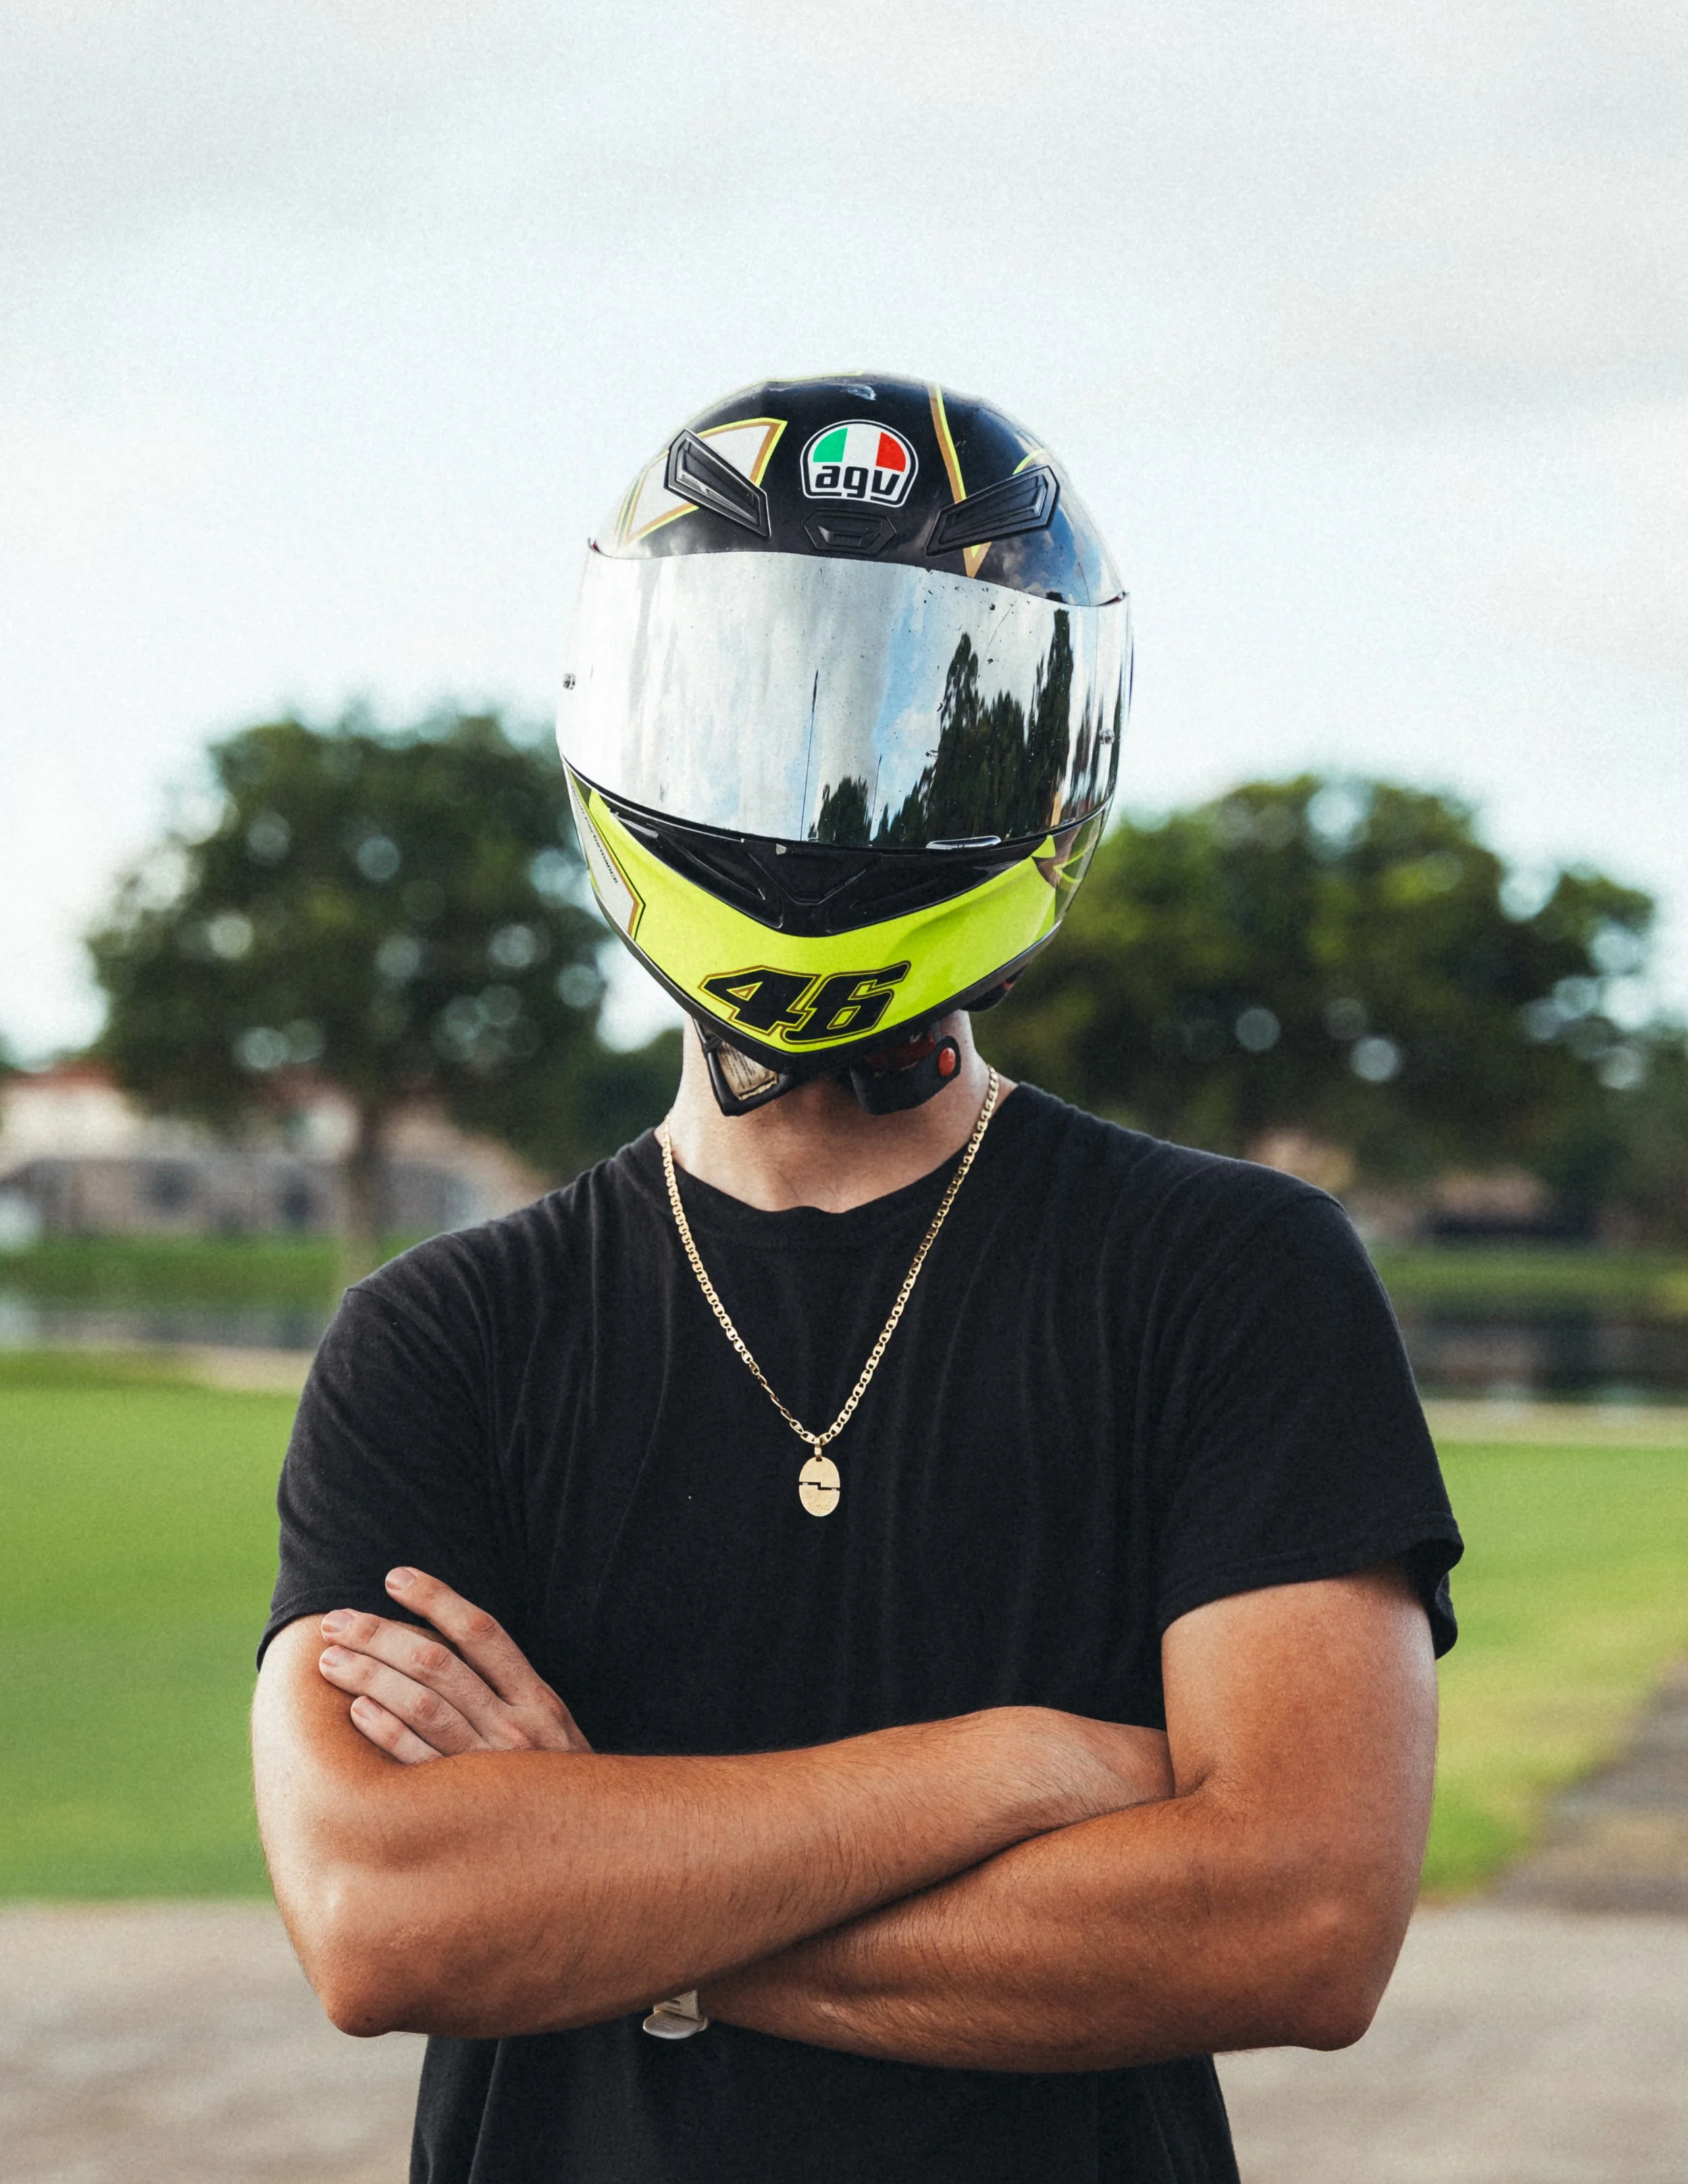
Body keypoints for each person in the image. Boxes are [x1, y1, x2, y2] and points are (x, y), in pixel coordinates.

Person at [252, 373, 1462, 2184]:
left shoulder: (1226, 1274)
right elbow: (386, 1922)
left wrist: (613, 1907)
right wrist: (1019, 1770)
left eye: (921, 718)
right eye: (750, 708)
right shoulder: (439, 1338)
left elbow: (1290, 1921)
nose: (821, 794)